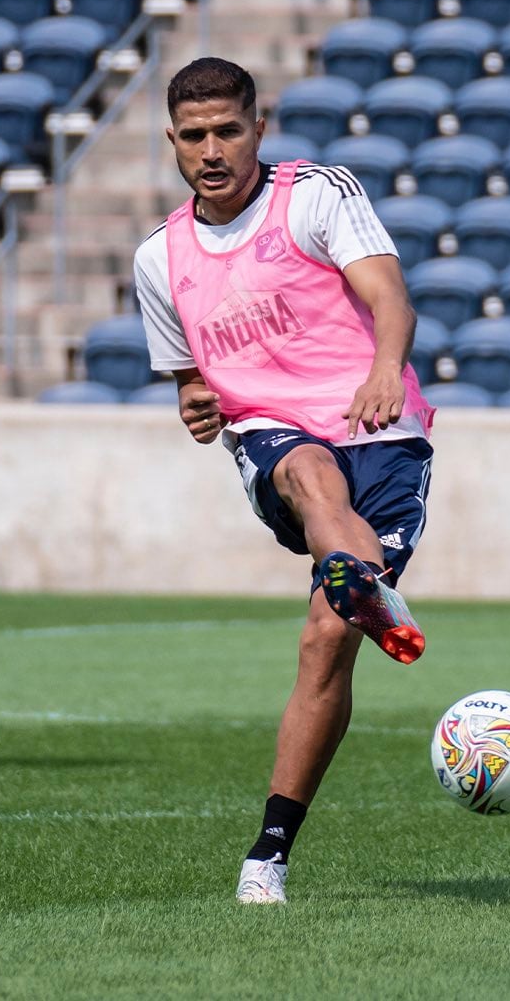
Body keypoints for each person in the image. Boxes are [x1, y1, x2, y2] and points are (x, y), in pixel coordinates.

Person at [133, 58, 435, 904]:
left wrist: (383, 370)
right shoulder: (160, 256)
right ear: (172, 142)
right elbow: (191, 379)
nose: (212, 149)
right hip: (276, 437)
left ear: (258, 128)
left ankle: (269, 850)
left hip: (382, 430)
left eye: (228, 130)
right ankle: (370, 588)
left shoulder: (316, 194)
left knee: (324, 643)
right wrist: (196, 405)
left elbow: (392, 299)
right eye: (194, 136)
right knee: (303, 471)